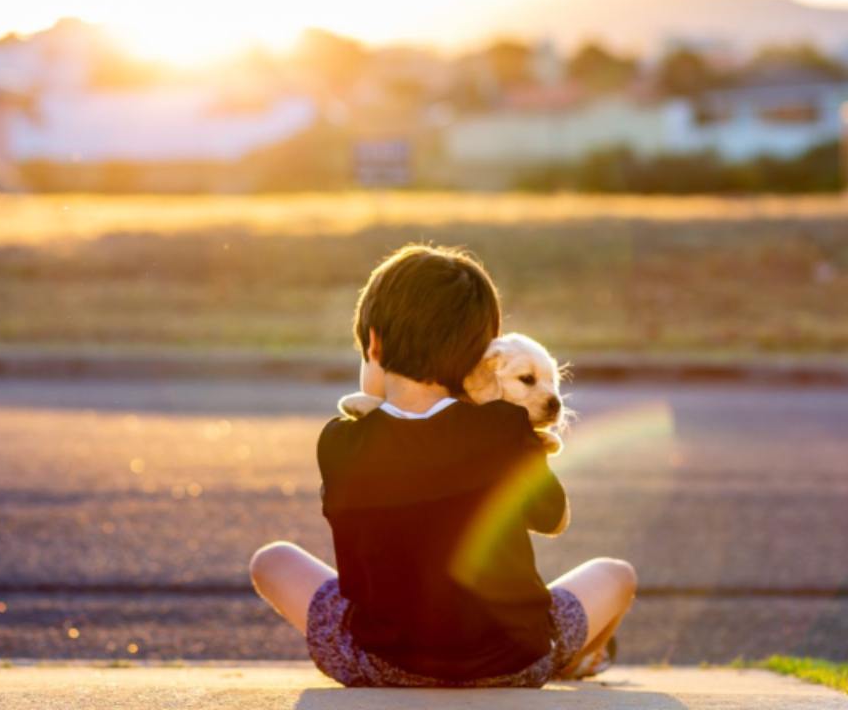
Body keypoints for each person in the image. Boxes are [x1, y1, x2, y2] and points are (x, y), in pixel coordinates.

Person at [250, 244, 636, 687]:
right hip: (515, 662)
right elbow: (553, 518)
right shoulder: (506, 431)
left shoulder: (339, 441)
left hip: (384, 661)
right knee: (616, 575)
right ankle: (577, 660)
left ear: (373, 342)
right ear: (481, 354)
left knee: (272, 560)